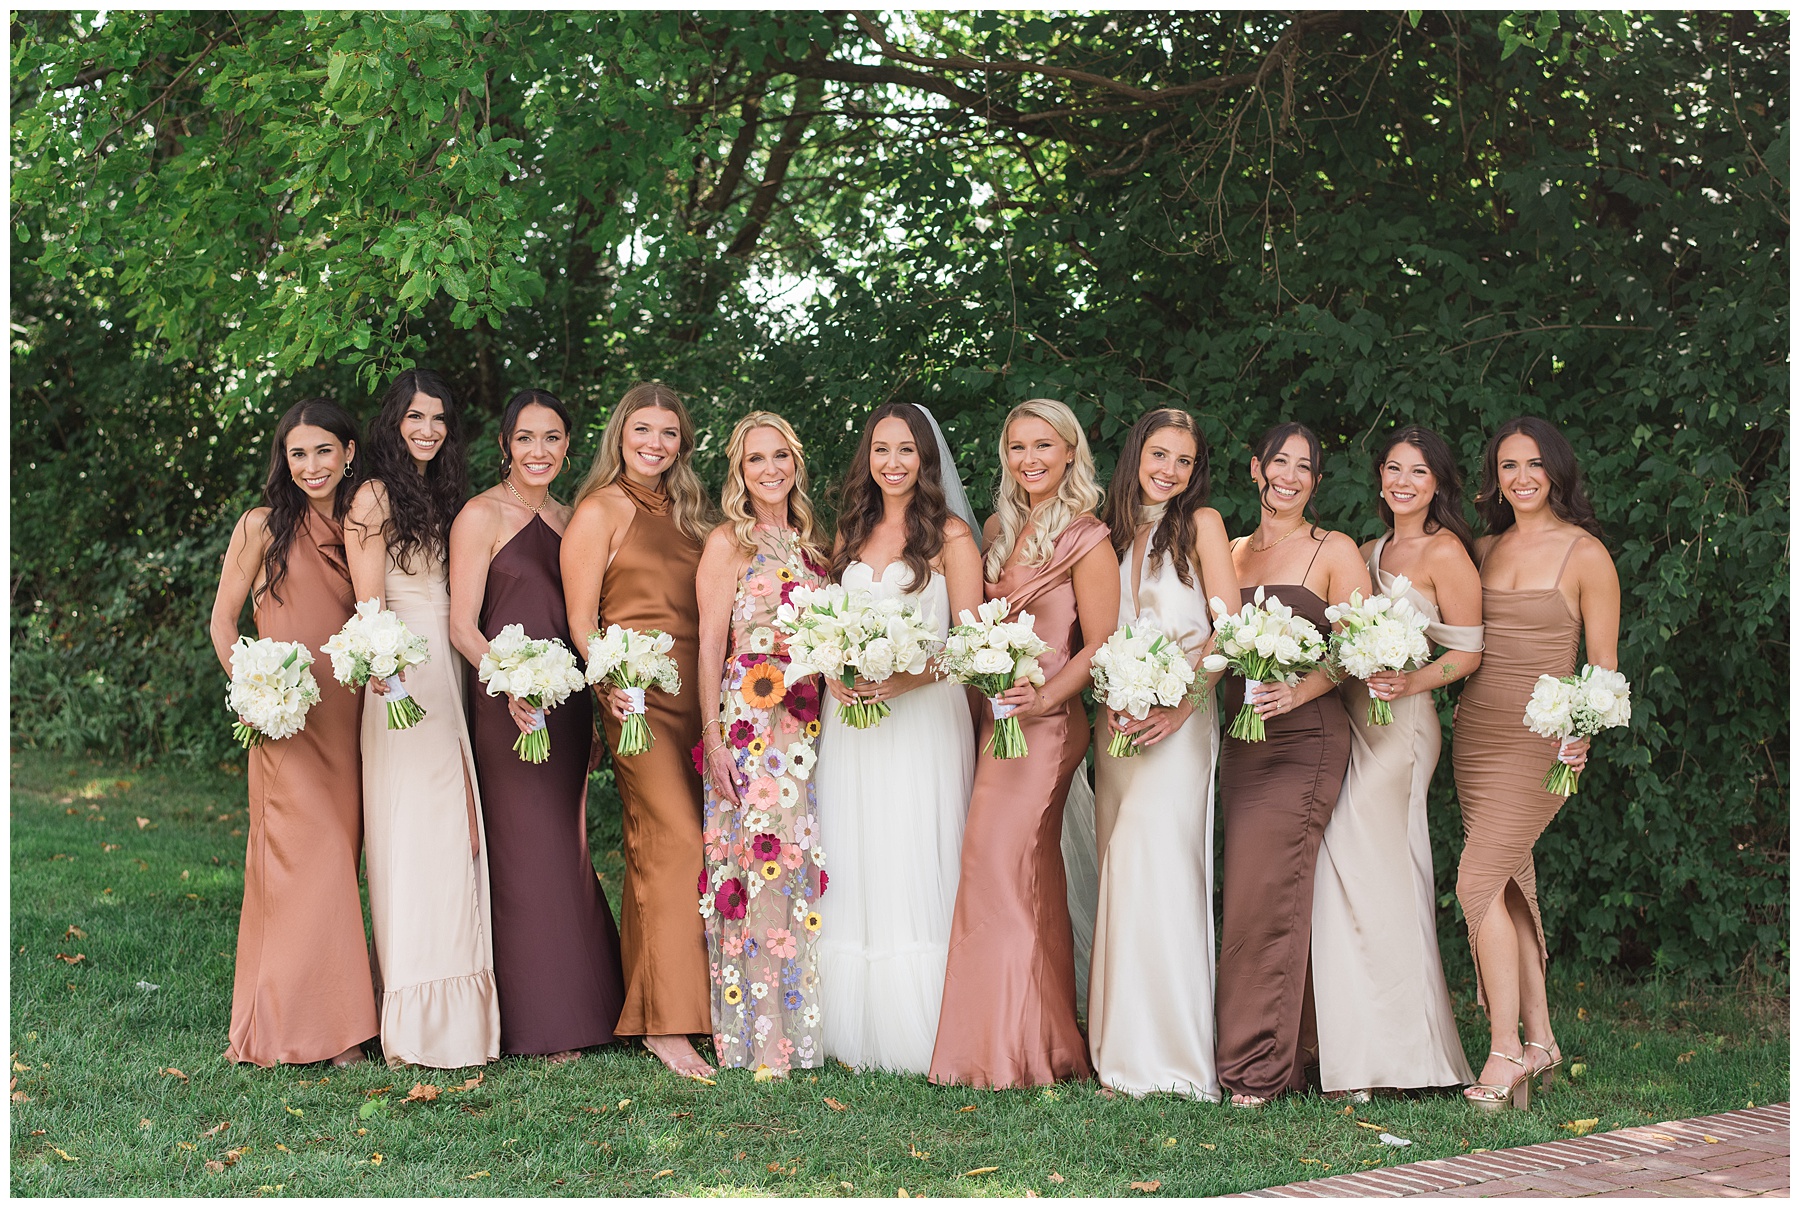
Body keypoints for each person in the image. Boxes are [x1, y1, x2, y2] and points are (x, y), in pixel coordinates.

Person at [929, 398, 1119, 1089]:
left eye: (1043, 445)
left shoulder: (1089, 537)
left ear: (1071, 452)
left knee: (1001, 862)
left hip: (1047, 724)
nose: (1030, 459)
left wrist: (1042, 698)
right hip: (996, 722)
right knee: (1015, 873)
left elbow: (1100, 643)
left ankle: (1014, 1050)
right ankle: (1031, 1039)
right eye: (1017, 447)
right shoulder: (997, 529)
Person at [448, 389, 624, 1061]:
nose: (539, 451)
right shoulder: (480, 515)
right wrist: (511, 684)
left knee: (566, 842)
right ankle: (538, 1021)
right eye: (526, 438)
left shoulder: (574, 517)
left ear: (567, 446)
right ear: (504, 445)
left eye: (552, 438)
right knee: (524, 849)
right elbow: (462, 624)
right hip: (508, 704)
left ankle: (588, 1002)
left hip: (569, 702)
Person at [1453, 416, 1620, 1111]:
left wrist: (1581, 731)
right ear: (1495, 476)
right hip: (1477, 732)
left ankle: (1503, 1052)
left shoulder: (1586, 555)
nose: (1520, 477)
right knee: (1510, 887)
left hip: (1541, 741)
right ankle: (1543, 1039)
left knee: (1475, 883)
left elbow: (1604, 666)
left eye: (1533, 465)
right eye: (1507, 465)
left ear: (1556, 470)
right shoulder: (1483, 548)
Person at [1310, 425, 1479, 1099]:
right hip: (1358, 718)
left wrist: (1408, 682)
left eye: (1419, 471)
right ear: (1379, 477)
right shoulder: (1366, 549)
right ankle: (1358, 1054)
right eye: (1393, 469)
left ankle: (1414, 1058)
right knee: (1349, 877)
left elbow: (1468, 651)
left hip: (1404, 727)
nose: (1403, 481)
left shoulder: (1446, 553)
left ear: (1438, 483)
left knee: (1384, 874)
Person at [814, 403, 983, 1075]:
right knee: (856, 850)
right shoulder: (849, 533)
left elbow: (972, 646)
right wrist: (833, 670)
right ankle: (849, 1025)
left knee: (913, 847)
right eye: (881, 449)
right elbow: (825, 620)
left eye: (906, 451)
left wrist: (910, 678)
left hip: (922, 721)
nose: (892, 462)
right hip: (853, 724)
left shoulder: (951, 537)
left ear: (926, 459)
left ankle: (920, 1025)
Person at [208, 397, 376, 1067]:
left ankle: (324, 1015)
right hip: (286, 714)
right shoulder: (259, 526)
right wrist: (249, 691)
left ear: (349, 453)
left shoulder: (365, 522)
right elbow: (223, 622)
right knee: (313, 861)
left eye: (323, 451)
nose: (311, 465)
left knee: (340, 856)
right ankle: (329, 1034)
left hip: (350, 713)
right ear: (284, 458)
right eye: (297, 453)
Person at [344, 369, 500, 1070]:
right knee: (418, 831)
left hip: (450, 666)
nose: (429, 430)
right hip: (405, 674)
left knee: (457, 831)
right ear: (393, 423)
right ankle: (416, 1017)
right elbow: (370, 604)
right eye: (415, 418)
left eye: (439, 418)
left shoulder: (441, 496)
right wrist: (386, 671)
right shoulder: (374, 496)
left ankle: (464, 1009)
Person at [562, 381, 717, 1079]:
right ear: (619, 434)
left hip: (701, 698)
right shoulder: (601, 510)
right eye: (642, 431)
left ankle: (688, 1000)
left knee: (683, 849)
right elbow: (580, 619)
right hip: (638, 701)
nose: (654, 444)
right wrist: (608, 685)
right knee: (671, 841)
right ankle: (664, 1023)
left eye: (668, 433)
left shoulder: (692, 514)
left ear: (682, 443)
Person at [1215, 422, 1369, 1107]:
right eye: (1279, 461)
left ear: (1315, 480)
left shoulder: (1332, 550)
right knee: (1256, 890)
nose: (1290, 476)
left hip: (1304, 739)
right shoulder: (1229, 552)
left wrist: (1298, 688)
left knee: (1263, 895)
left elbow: (1363, 646)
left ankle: (1254, 1070)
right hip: (1240, 741)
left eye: (1305, 467)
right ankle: (1300, 1051)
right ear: (1256, 467)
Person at [1087, 408, 1237, 1100]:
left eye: (1184, 459)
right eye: (1159, 454)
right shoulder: (1102, 529)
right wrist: (1109, 694)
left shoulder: (1202, 526)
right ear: (1136, 454)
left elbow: (1227, 635)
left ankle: (1171, 1055)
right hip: (1114, 719)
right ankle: (1117, 1047)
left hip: (1183, 717)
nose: (1170, 470)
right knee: (1120, 866)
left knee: (1164, 868)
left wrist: (1180, 704)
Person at [694, 411, 830, 1075]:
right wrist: (713, 736)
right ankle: (758, 1038)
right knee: (753, 864)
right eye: (756, 460)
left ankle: (799, 1026)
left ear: (795, 463)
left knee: (793, 862)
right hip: (747, 718)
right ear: (739, 473)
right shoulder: (728, 543)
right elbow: (708, 643)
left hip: (806, 719)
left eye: (781, 456)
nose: (771, 469)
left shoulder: (815, 548)